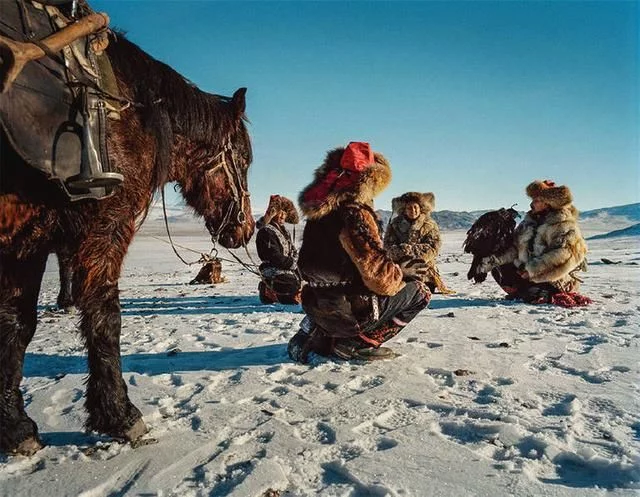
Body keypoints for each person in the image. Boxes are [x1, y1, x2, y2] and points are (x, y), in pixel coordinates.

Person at [287, 142, 431, 363]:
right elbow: (379, 278)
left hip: (317, 306)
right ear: (370, 181)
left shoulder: (319, 214)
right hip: (351, 310)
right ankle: (358, 344)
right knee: (420, 292)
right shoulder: (355, 214)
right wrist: (399, 273)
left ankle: (317, 335)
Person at [477, 180, 589, 304]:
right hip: (527, 274)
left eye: (536, 200)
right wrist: (493, 260)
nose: (531, 204)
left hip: (554, 278)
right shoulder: (528, 223)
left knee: (531, 296)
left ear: (547, 203)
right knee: (499, 269)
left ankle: (537, 293)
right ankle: (522, 292)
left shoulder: (563, 225)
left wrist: (532, 270)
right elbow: (515, 248)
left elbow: (563, 254)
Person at [384, 192, 454, 294]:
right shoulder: (395, 224)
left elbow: (434, 246)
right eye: (409, 208)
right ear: (404, 209)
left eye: (415, 207)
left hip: (425, 272)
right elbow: (387, 246)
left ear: (420, 208)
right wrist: (401, 253)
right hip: (401, 271)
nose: (413, 210)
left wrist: (412, 252)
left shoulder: (429, 224)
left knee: (422, 291)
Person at [255, 195, 302, 304]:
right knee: (291, 287)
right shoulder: (266, 231)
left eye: (284, 213)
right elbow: (273, 256)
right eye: (279, 212)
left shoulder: (285, 231)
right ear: (273, 214)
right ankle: (268, 291)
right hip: (272, 269)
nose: (282, 216)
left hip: (288, 267)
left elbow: (293, 250)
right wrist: (292, 263)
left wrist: (297, 261)